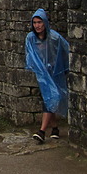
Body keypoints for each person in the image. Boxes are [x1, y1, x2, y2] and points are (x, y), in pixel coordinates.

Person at [25, 8, 70, 143]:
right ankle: (54, 127)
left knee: (51, 98)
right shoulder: (31, 38)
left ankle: (42, 132)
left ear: (45, 23)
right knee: (49, 99)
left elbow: (66, 49)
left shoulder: (54, 37)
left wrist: (61, 67)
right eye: (35, 23)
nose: (37, 25)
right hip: (42, 75)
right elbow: (30, 56)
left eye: (40, 22)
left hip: (54, 73)